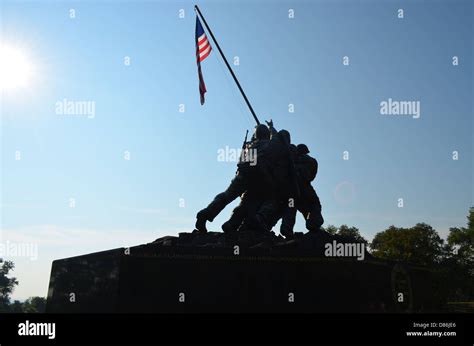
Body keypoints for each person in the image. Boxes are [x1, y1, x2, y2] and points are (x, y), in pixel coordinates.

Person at [194, 124, 271, 233]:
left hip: (242, 175)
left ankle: (207, 215)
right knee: (250, 202)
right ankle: (231, 224)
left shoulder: (251, 146)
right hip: (256, 178)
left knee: (228, 196)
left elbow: (241, 162)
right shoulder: (268, 145)